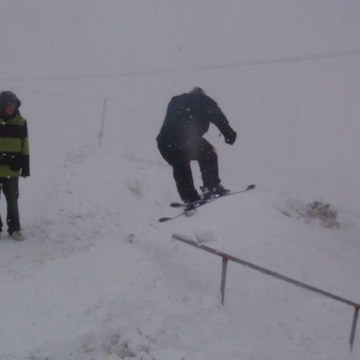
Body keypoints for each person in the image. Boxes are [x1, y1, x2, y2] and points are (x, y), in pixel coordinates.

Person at [157, 87, 237, 207]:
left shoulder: (175, 100)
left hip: (165, 142)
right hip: (185, 139)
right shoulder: (204, 101)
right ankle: (212, 186)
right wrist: (229, 134)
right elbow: (218, 117)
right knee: (208, 152)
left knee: (180, 164)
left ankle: (189, 197)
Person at [0, 91, 30, 240]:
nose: (10, 107)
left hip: (12, 169)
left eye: (13, 104)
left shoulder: (21, 123)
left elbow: (25, 145)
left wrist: (25, 167)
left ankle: (14, 228)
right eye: (8, 104)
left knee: (12, 200)